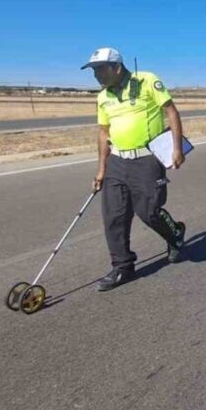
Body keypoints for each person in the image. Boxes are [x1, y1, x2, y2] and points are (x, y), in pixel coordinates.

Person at [82, 47, 188, 291]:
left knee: (149, 212)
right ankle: (123, 267)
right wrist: (101, 168)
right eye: (93, 70)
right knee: (114, 216)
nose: (96, 75)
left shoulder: (147, 80)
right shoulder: (103, 97)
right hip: (117, 161)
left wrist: (177, 148)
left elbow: (171, 112)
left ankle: (175, 234)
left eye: (100, 69)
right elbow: (103, 132)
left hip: (147, 160)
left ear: (117, 67)